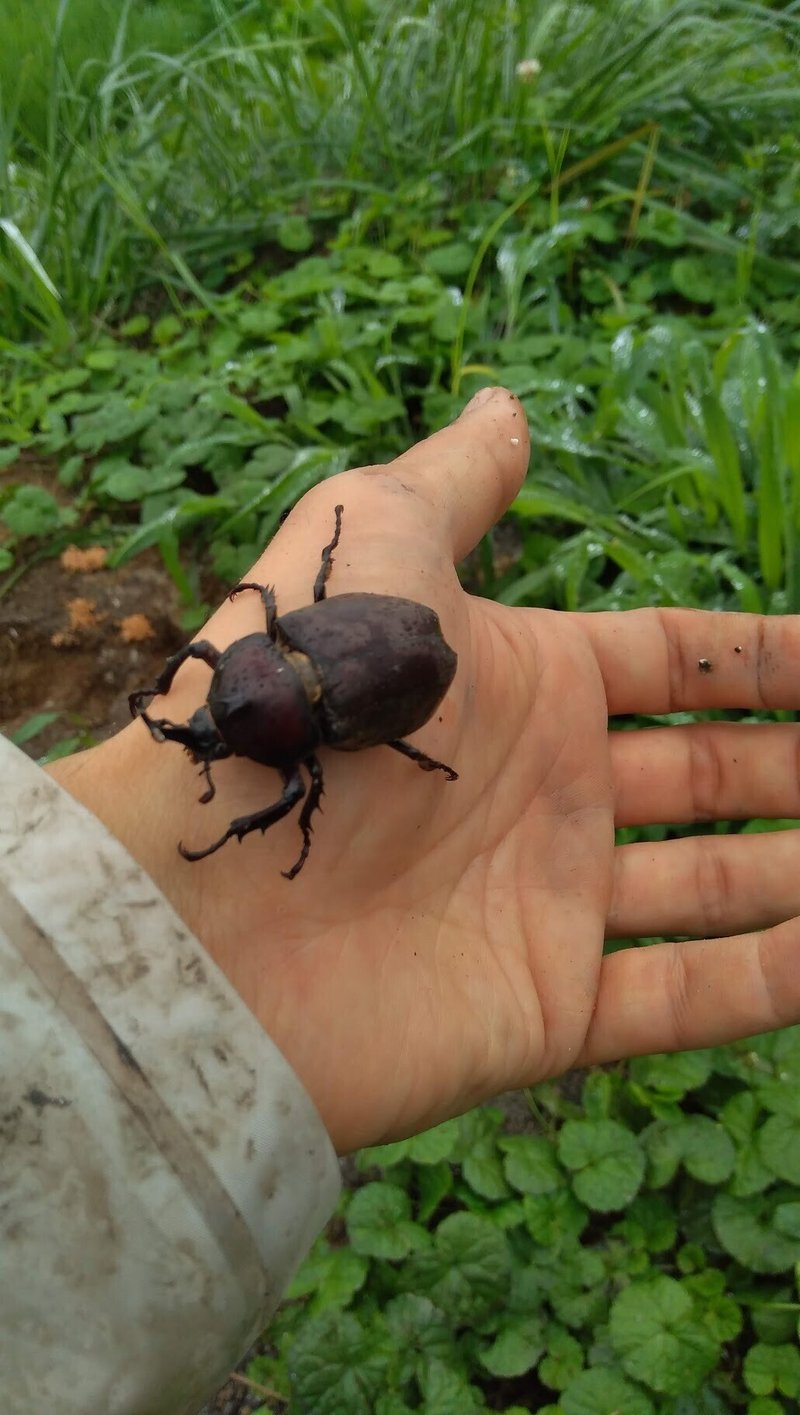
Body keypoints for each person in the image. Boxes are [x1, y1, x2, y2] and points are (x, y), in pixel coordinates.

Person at [3, 385, 800, 1413]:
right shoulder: (260, 658)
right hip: (351, 666)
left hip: (385, 673)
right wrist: (162, 818)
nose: (212, 729)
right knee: (280, 788)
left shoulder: (280, 700)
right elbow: (226, 677)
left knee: (286, 800)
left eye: (215, 726)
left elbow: (260, 737)